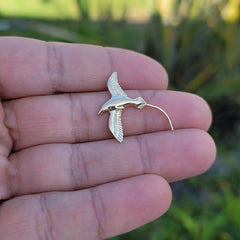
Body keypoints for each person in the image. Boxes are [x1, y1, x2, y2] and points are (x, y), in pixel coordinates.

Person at [0, 37, 216, 240]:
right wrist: (120, 125)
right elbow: (113, 103)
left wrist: (128, 106)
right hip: (132, 102)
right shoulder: (113, 110)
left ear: (109, 107)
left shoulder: (114, 98)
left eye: (105, 110)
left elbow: (113, 82)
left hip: (131, 100)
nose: (105, 111)